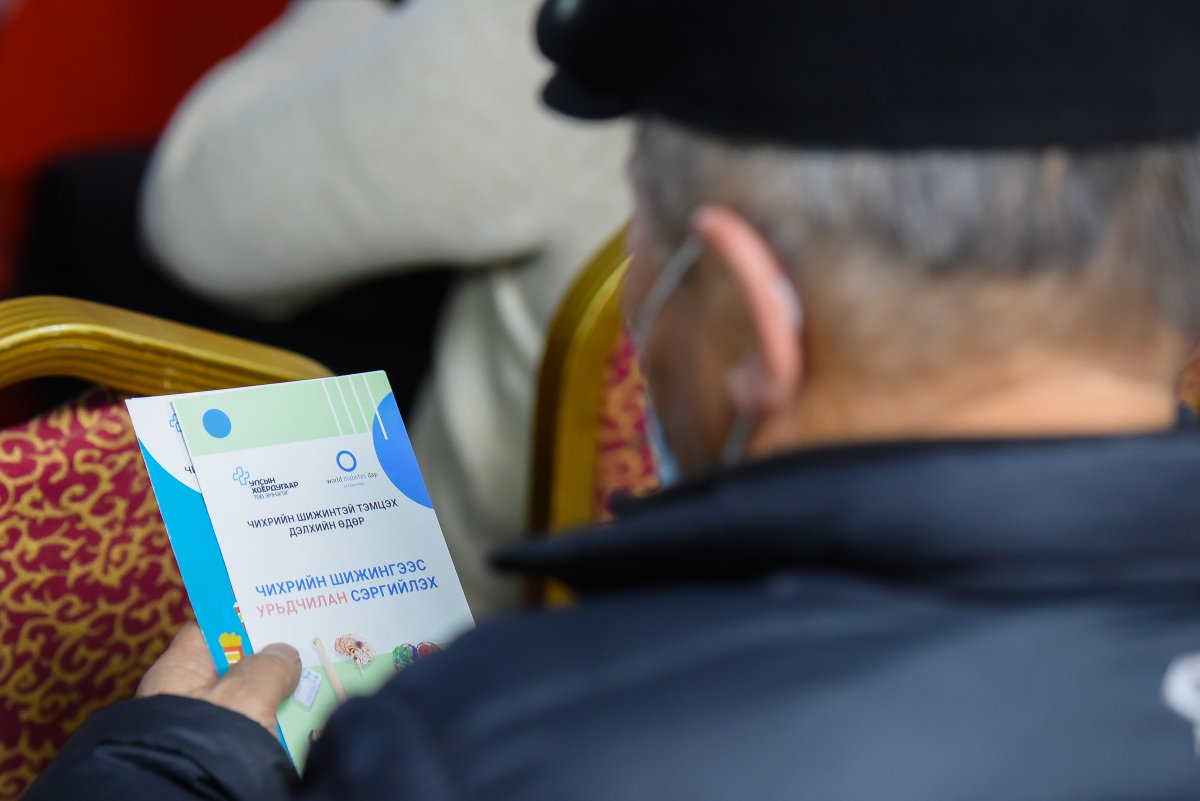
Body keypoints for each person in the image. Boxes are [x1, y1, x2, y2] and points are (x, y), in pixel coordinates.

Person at [25, 0, 1200, 798]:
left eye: (644, 230)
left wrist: (164, 769)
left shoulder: (490, 747)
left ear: (758, 318)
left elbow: (205, 217)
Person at [139, 0, 631, 616]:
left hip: (475, 632)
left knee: (99, 234)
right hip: (709, 600)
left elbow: (196, 224)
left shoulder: (557, 33)